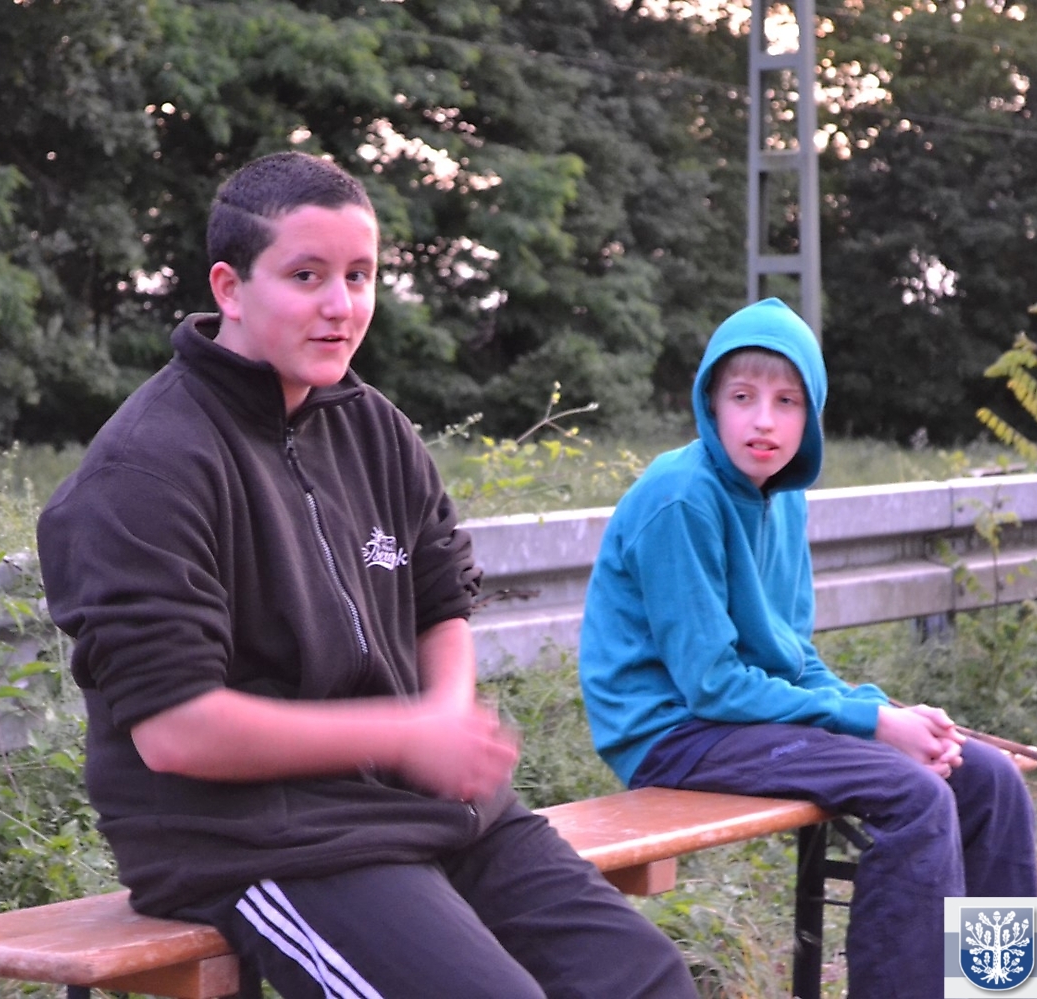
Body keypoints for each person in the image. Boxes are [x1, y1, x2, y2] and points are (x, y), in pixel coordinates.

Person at [37, 151, 695, 999]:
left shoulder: (373, 425)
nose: (341, 305)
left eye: (359, 275)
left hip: (431, 814)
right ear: (230, 287)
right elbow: (177, 731)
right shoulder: (146, 469)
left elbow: (440, 596)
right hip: (263, 842)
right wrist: (405, 732)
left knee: (643, 978)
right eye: (305, 275)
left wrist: (443, 715)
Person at [578, 297, 1037, 998]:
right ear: (710, 403)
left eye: (786, 401)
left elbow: (792, 659)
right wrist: (872, 724)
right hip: (672, 733)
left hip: (739, 721)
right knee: (912, 794)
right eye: (742, 397)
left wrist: (884, 711)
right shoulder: (681, 499)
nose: (763, 420)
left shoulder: (781, 495)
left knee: (987, 777)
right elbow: (712, 685)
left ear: (811, 414)